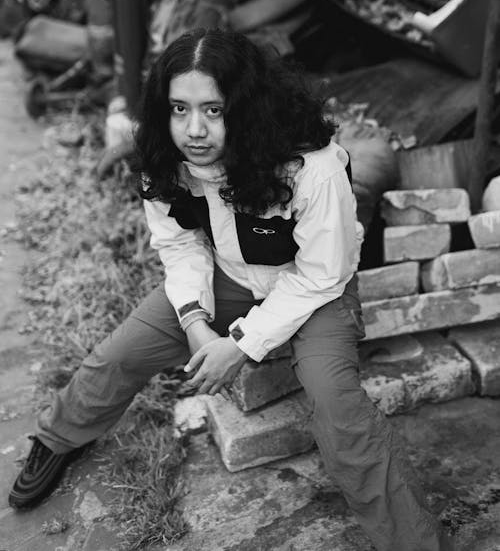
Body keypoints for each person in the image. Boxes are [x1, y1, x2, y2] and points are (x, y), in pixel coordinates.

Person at [9, 28, 453, 551]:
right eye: (179, 108)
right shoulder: (164, 157)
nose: (193, 129)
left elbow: (322, 274)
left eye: (213, 110)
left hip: (315, 293)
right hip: (230, 277)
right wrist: (196, 321)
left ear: (244, 106)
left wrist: (241, 346)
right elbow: (179, 245)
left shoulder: (313, 166)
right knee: (116, 355)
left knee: (340, 416)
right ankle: (58, 438)